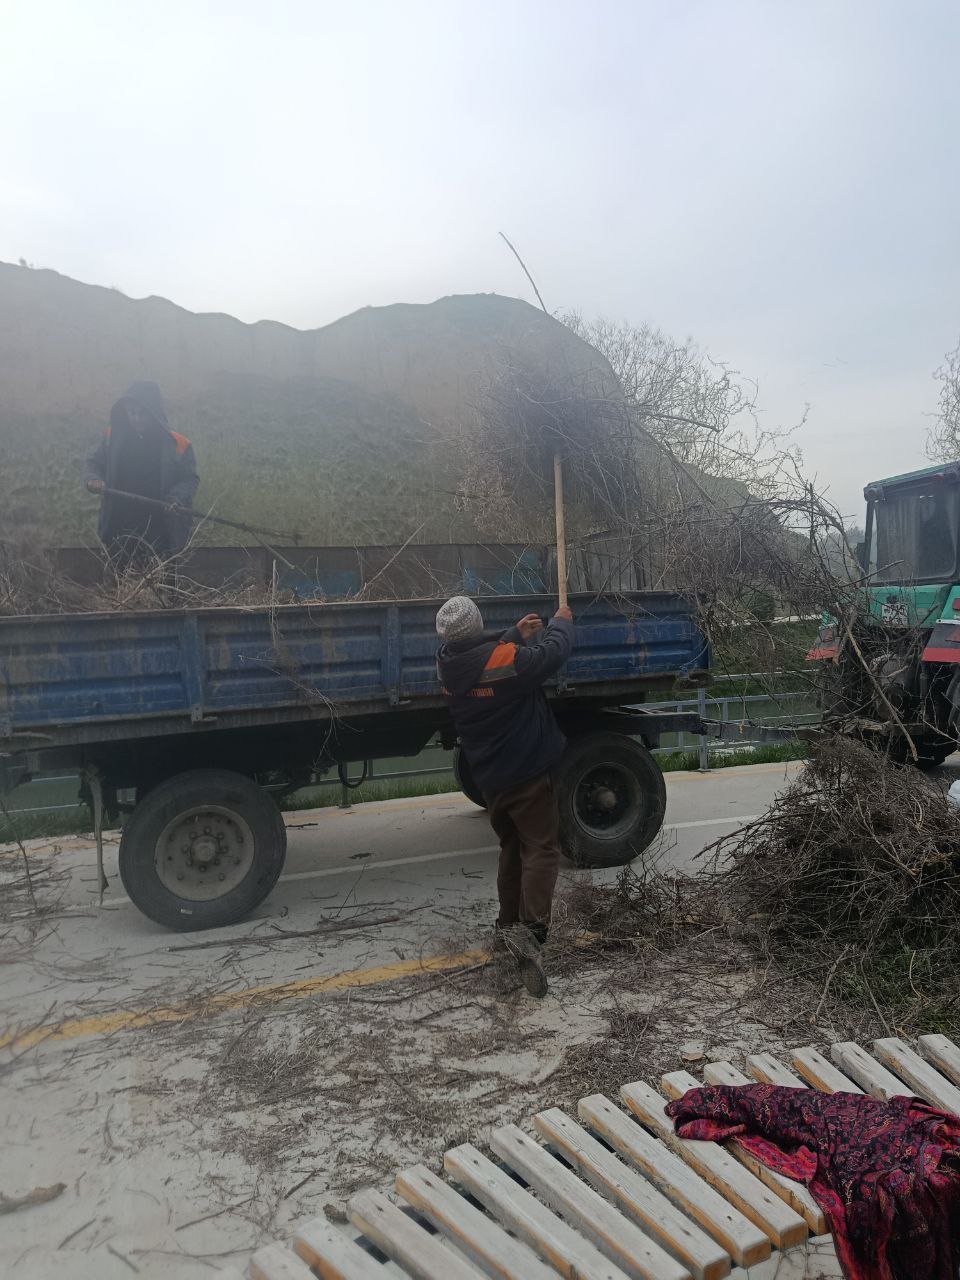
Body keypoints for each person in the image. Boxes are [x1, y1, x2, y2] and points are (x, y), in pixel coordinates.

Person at [436, 596, 574, 997]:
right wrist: (562, 622)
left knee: (511, 849)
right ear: (477, 624)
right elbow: (550, 656)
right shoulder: (505, 662)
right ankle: (531, 935)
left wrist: (513, 634)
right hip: (527, 771)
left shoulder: (446, 662)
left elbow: (479, 656)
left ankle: (505, 930)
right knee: (542, 850)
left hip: (491, 779)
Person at [84, 381, 199, 570]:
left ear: (154, 412)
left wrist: (176, 498)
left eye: (142, 412)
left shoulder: (178, 444)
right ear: (125, 412)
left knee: (160, 578)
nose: (137, 418)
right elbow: (94, 463)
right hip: (119, 525)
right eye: (131, 412)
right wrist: (92, 478)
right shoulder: (112, 437)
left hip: (160, 527)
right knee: (119, 580)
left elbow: (189, 479)